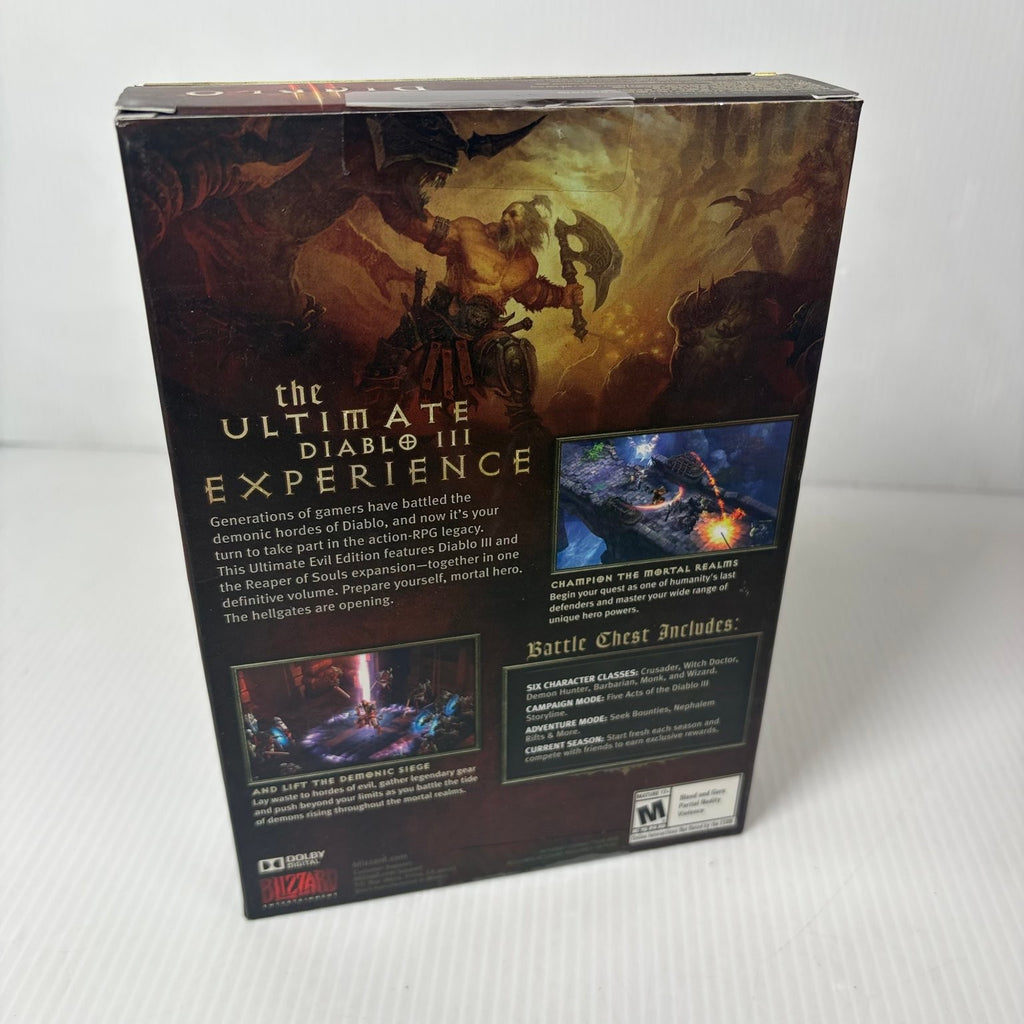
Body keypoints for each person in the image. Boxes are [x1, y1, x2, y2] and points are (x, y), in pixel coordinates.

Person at [364, 195, 583, 432]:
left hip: (480, 334)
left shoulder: (527, 263)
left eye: (513, 215)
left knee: (512, 355)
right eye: (505, 212)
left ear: (529, 225)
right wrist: (393, 198)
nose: (505, 218)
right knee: (385, 371)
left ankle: (525, 427)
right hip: (435, 320)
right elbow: (424, 229)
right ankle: (374, 426)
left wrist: (564, 296)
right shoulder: (470, 232)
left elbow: (533, 293)